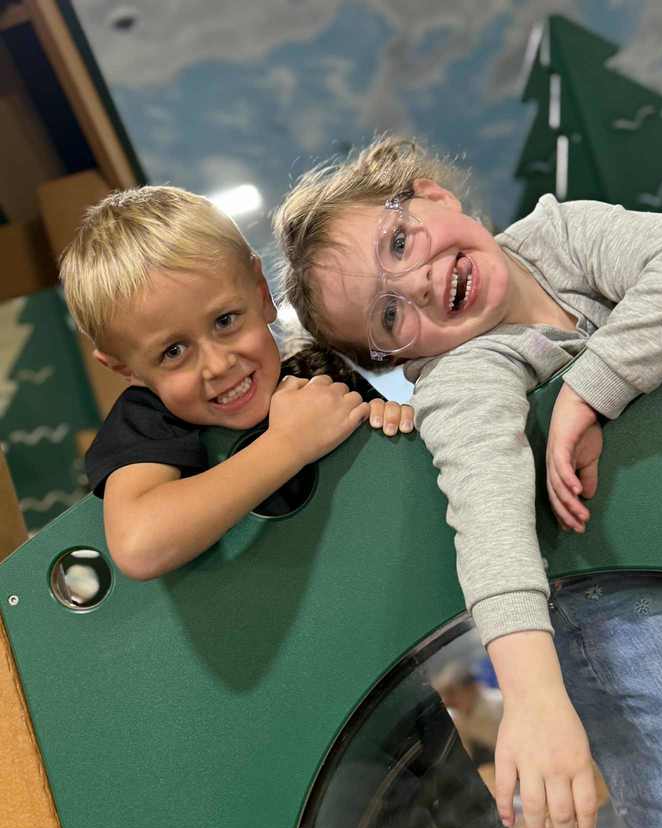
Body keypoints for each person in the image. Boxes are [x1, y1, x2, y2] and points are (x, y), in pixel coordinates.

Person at [274, 136, 662, 828]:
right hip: (599, 615)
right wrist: (533, 700)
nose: (418, 284)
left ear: (426, 193)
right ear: (400, 360)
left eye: (399, 243)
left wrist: (587, 392)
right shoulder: (464, 375)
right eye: (389, 319)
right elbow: (492, 523)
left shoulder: (561, 237)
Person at [59, 185, 413, 579]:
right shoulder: (148, 422)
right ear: (126, 369)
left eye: (225, 321)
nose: (217, 365)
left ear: (261, 294)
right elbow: (139, 545)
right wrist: (288, 444)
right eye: (174, 351)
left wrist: (385, 429)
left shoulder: (325, 377)